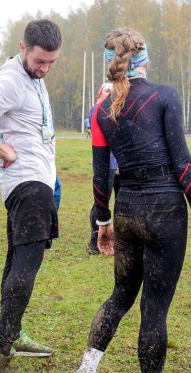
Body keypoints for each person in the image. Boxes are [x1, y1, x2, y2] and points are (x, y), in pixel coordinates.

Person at [65, 28, 191, 373]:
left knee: (120, 296)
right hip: (165, 213)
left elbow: (100, 176)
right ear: (143, 58)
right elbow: (183, 164)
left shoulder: (101, 110)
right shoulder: (165, 96)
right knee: (154, 309)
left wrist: (102, 221)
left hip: (127, 212)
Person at [0, 19, 62, 373]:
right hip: (27, 184)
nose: (45, 68)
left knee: (16, 258)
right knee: (27, 263)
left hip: (34, 183)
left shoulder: (33, 78)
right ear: (23, 48)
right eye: (40, 60)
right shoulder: (10, 79)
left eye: (52, 62)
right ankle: (1, 346)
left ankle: (14, 333)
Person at [86, 82, 119, 255]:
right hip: (107, 165)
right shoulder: (96, 111)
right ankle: (94, 239)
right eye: (107, 91)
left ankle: (120, 241)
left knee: (123, 203)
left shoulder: (119, 109)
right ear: (99, 94)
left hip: (123, 164)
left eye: (113, 92)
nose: (110, 94)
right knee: (101, 202)